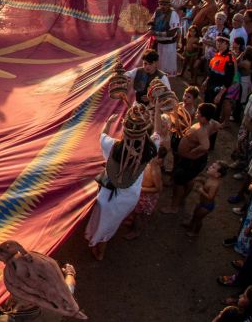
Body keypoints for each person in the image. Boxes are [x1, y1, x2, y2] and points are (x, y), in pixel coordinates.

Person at [84, 115, 158, 261]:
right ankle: (100, 242)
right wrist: (156, 105)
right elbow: (158, 133)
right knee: (112, 222)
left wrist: (109, 122)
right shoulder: (150, 149)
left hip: (109, 197)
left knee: (103, 222)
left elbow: (102, 135)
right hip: (131, 197)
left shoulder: (113, 146)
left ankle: (99, 251)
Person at [162, 103, 214, 215]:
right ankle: (182, 199)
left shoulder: (201, 130)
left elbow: (206, 146)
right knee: (189, 180)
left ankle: (174, 206)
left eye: (199, 113)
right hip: (192, 161)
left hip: (190, 161)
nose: (196, 114)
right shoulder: (210, 124)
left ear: (204, 118)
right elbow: (218, 126)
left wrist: (193, 152)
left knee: (179, 182)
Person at [124, 145, 166, 240]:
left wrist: (140, 189)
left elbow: (158, 189)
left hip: (146, 197)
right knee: (135, 212)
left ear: (159, 159)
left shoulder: (155, 171)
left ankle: (136, 231)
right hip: (140, 193)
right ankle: (132, 224)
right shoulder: (147, 163)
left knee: (139, 216)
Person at [183, 159, 226, 236]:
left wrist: (201, 191)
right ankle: (190, 224)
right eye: (211, 166)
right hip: (202, 202)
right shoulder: (210, 178)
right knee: (195, 213)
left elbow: (210, 197)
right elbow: (206, 184)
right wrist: (201, 181)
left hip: (207, 206)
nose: (209, 167)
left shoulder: (214, 185)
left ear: (217, 174)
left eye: (213, 167)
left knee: (198, 219)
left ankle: (195, 232)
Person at [150, 0, 180, 76]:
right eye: (161, 4)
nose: (163, 6)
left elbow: (172, 33)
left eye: (165, 5)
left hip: (168, 46)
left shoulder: (173, 14)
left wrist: (156, 33)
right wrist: (150, 28)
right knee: (158, 66)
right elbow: (152, 22)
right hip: (158, 44)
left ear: (169, 5)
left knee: (167, 69)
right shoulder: (158, 11)